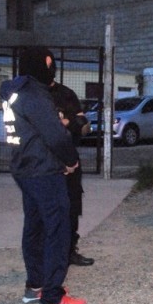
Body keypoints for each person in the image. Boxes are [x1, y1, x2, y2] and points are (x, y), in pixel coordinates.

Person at [0, 46, 86, 304]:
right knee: (57, 230)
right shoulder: (35, 94)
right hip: (44, 171)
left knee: (35, 227)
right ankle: (52, 297)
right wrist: (71, 161)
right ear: (44, 63)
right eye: (50, 62)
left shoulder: (13, 91)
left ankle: (35, 286)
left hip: (25, 169)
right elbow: (55, 135)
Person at [49, 79, 95, 267]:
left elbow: (83, 124)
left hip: (69, 157)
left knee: (73, 204)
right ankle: (51, 254)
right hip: (45, 160)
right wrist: (66, 123)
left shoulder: (66, 93)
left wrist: (76, 123)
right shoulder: (33, 95)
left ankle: (69, 251)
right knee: (49, 208)